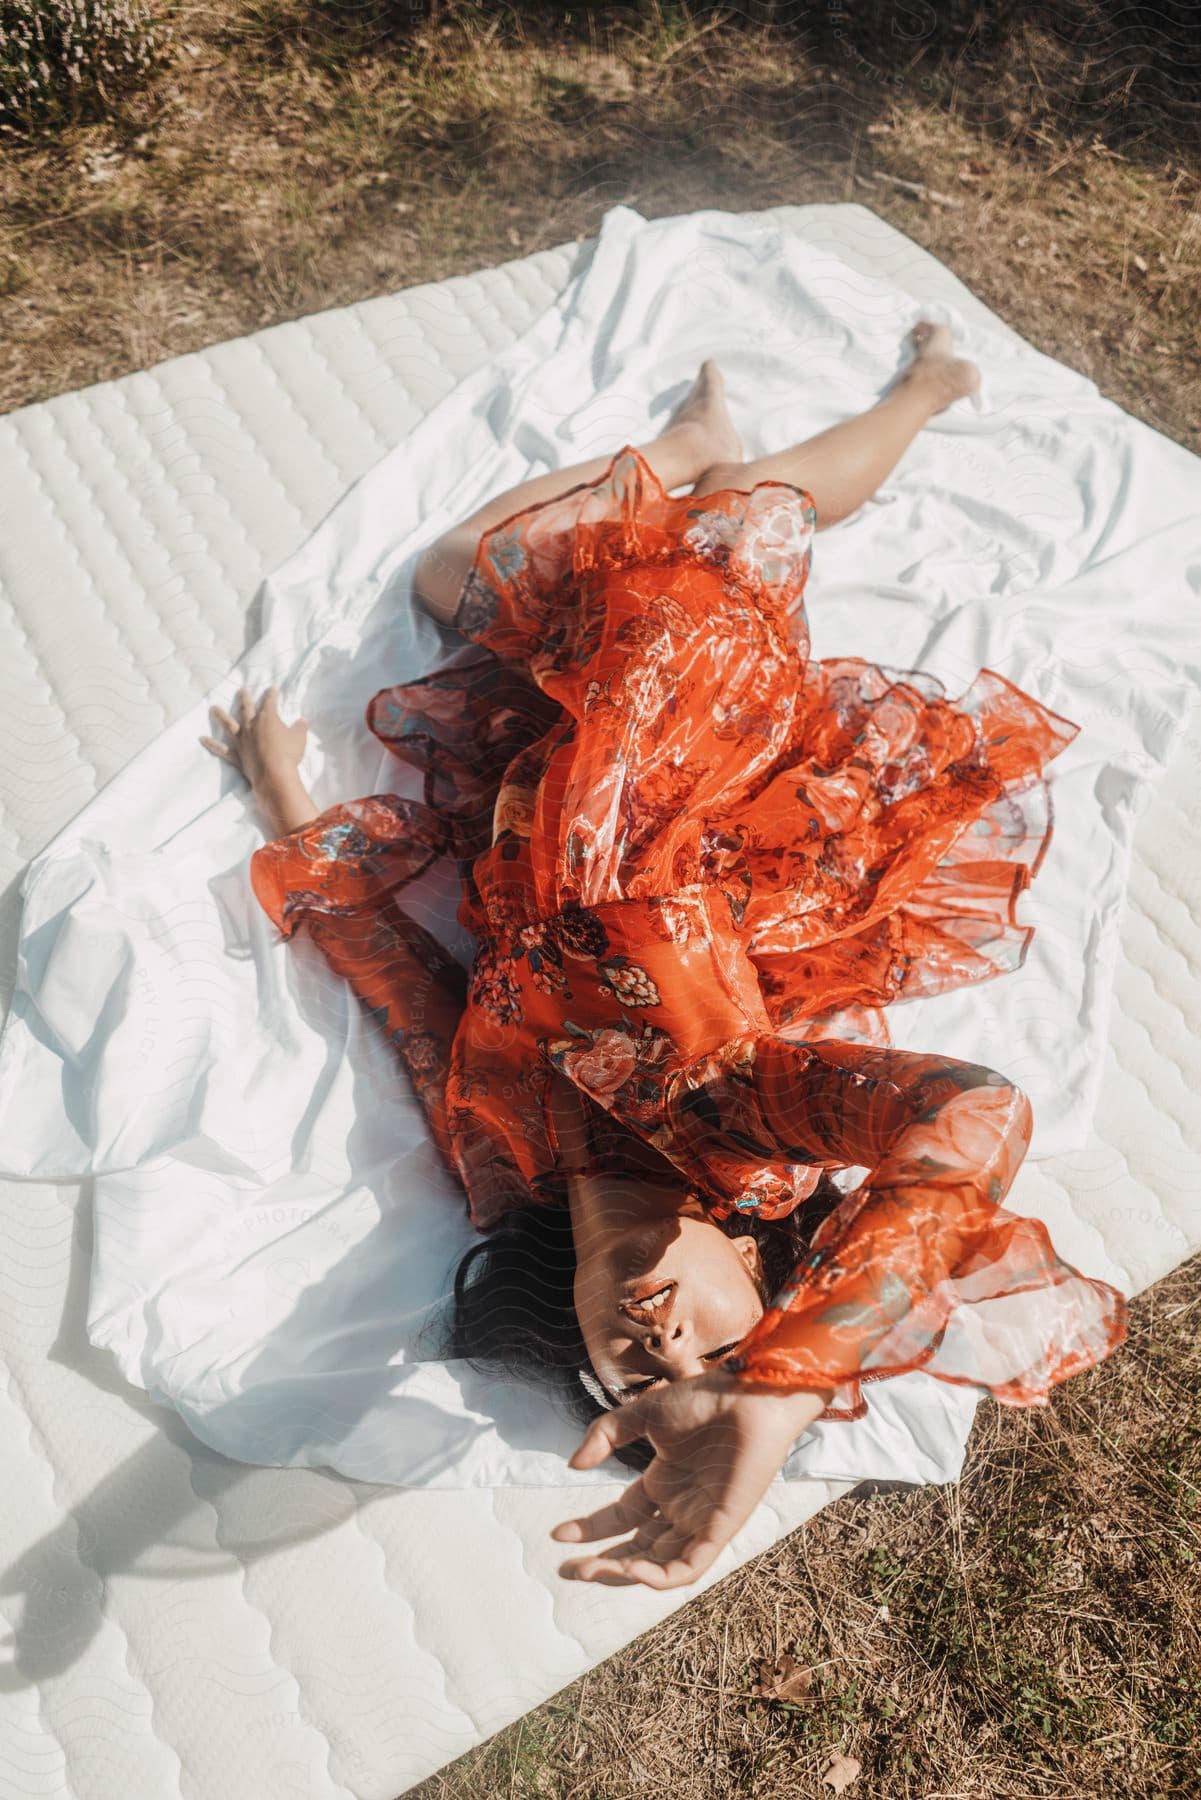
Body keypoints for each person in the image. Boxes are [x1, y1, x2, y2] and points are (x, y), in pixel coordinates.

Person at [202, 324, 1128, 1590]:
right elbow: (970, 1115)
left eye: (640, 1372)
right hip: (697, 778)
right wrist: (789, 1382)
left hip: (541, 815)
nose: (662, 1341)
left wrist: (289, 810)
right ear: (747, 1256)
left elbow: (406, 990)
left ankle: (691, 444)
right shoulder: (736, 1130)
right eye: (714, 1343)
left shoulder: (502, 1172)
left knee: (450, 576)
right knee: (739, 533)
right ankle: (923, 390)